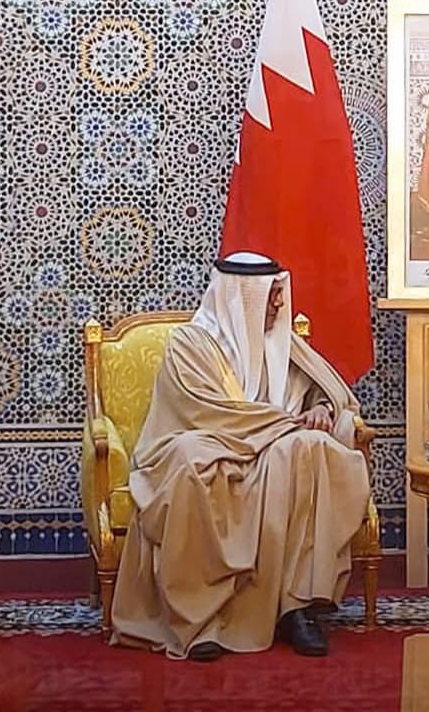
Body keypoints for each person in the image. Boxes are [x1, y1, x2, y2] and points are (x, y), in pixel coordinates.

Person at [111, 252, 371, 661]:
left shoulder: (284, 343)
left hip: (271, 449)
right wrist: (284, 423)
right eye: (270, 296)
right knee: (193, 463)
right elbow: (205, 411)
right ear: (240, 297)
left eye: (279, 293)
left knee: (310, 448)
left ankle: (297, 607)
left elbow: (325, 391)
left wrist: (321, 408)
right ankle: (199, 619)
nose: (279, 304)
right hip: (205, 441)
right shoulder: (191, 344)